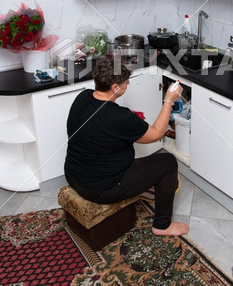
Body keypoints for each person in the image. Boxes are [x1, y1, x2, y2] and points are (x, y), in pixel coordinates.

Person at [64, 58, 189, 236]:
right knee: (168, 162)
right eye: (125, 82)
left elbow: (99, 125)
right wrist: (168, 100)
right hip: (100, 189)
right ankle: (162, 225)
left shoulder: (83, 97)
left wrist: (128, 120)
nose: (128, 83)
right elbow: (156, 134)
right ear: (115, 87)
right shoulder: (120, 117)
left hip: (73, 174)